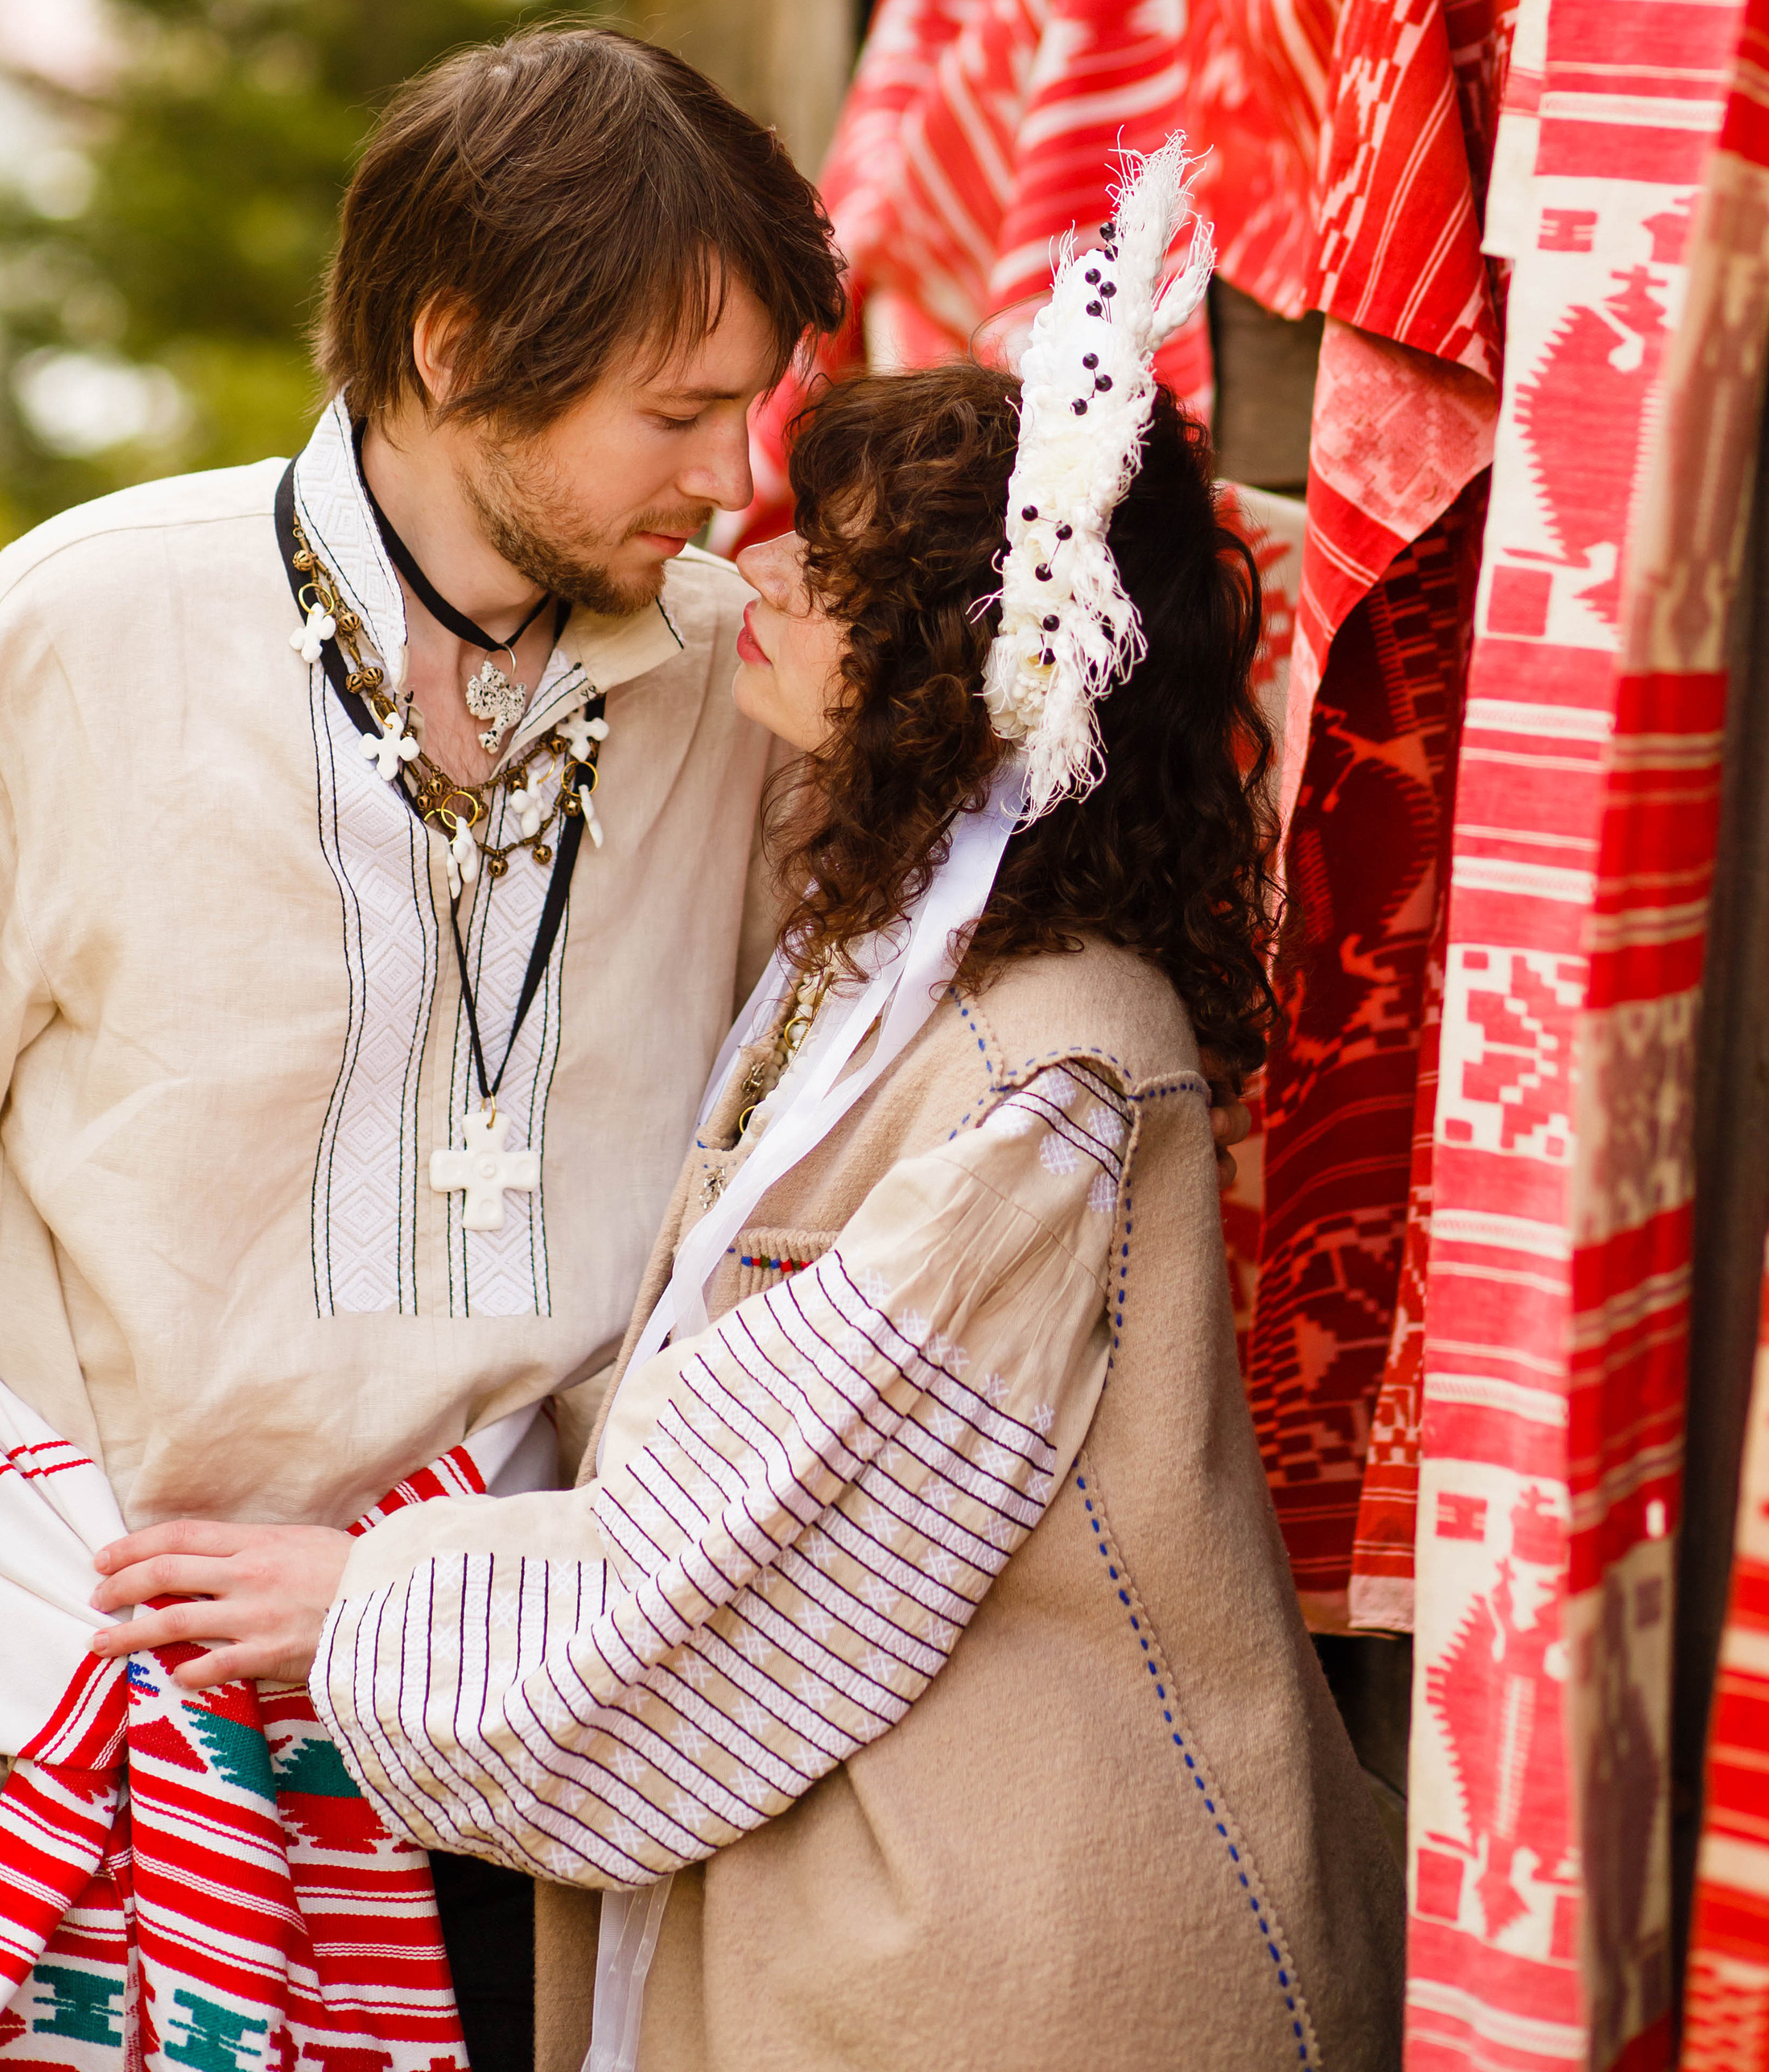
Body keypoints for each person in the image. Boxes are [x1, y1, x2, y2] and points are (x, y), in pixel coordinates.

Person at [81, 149, 1406, 2072]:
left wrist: (368, 1594)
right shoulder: (893, 964)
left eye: (833, 563)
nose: (756, 563)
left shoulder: (1052, 1060)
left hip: (1021, 1955)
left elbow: (777, 1535)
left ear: (962, 661)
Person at [0, 27, 846, 2072]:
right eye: (674, 411)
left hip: (505, 1733)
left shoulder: (726, 691)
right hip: (14, 1706)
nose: (725, 476)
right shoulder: (83, 629)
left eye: (745, 407)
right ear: (449, 341)